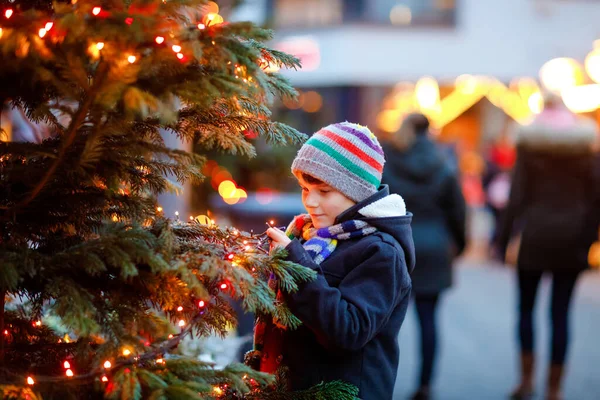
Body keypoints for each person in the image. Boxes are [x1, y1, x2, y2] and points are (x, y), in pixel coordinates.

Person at [254, 122, 415, 400]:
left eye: (324, 191)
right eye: (305, 189)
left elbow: (348, 332)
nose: (310, 202)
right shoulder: (309, 234)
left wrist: (297, 266)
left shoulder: (382, 252)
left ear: (357, 193)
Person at [496, 94, 599, 400]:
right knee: (561, 314)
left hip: (535, 238)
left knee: (526, 309)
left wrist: (502, 242)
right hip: (572, 241)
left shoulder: (529, 148)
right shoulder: (586, 151)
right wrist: (588, 239)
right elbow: (596, 202)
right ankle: (554, 389)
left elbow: (516, 198)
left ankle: (526, 381)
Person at [381, 113, 466, 400]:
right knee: (428, 319)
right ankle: (425, 384)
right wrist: (459, 246)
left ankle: (377, 382)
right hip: (434, 247)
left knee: (382, 320)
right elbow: (458, 212)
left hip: (396, 245)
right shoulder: (444, 163)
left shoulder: (390, 159)